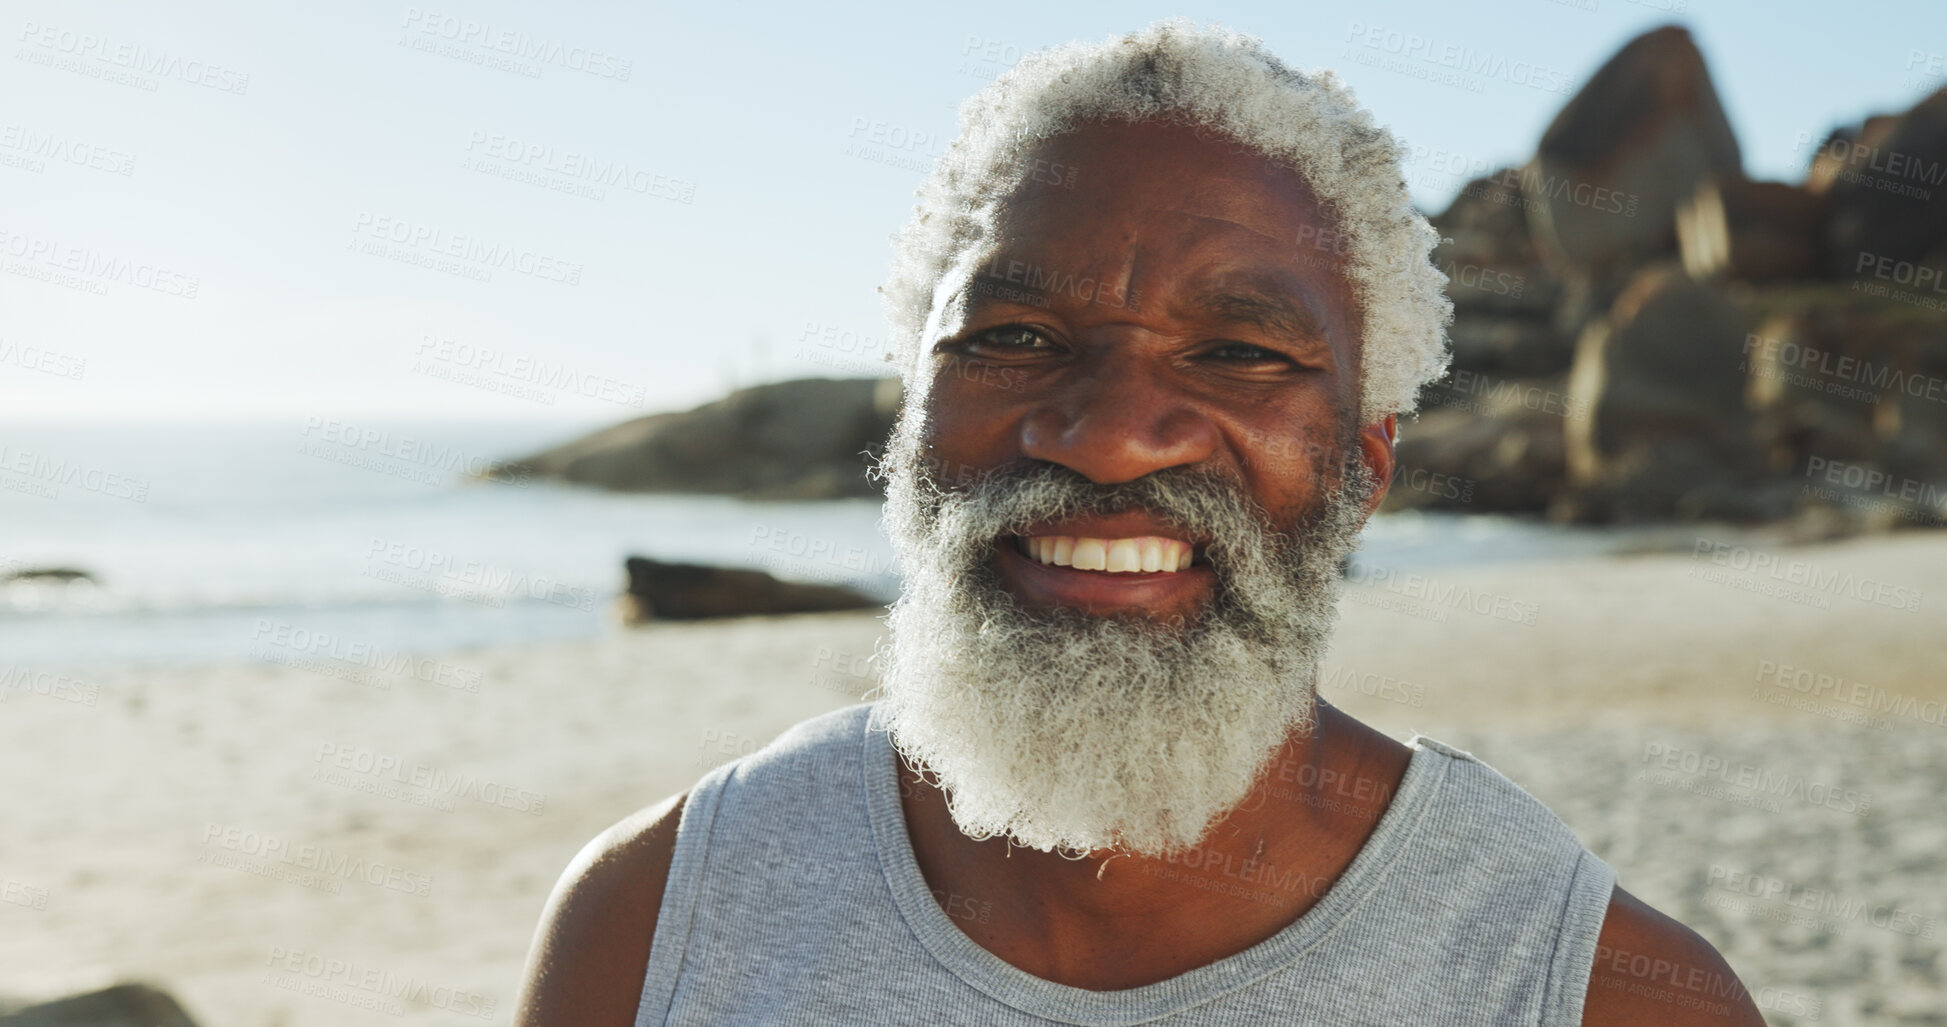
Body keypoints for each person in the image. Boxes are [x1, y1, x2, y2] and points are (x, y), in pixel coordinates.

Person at [516, 21, 1763, 1025]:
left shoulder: (1597, 993)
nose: (1110, 433)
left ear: (1365, 465)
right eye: (1012, 339)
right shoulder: (651, 924)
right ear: (913, 420)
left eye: (1236, 351)